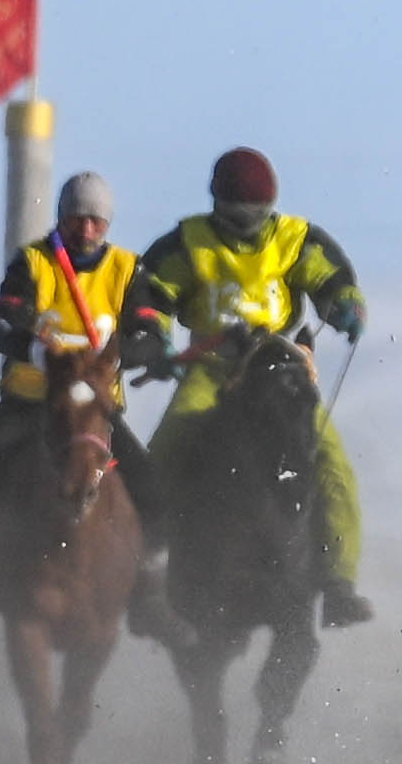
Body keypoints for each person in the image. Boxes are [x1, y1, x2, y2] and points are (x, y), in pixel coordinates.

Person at [125, 148, 372, 629]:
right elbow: (149, 296)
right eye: (236, 214)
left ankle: (338, 584)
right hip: (212, 369)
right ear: (216, 203)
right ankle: (144, 574)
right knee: (164, 450)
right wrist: (152, 338)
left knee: (331, 462)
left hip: (280, 372)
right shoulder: (188, 243)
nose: (246, 224)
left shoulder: (296, 240)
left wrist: (345, 305)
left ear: (271, 205)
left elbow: (333, 279)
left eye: (256, 214)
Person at [0, 173, 152, 637]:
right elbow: (4, 325)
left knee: (148, 482)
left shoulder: (128, 270)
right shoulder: (34, 263)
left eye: (96, 222)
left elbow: (150, 331)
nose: (86, 231)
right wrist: (43, 352)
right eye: (77, 219)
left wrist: (125, 351)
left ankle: (151, 593)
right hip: (32, 403)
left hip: (95, 413)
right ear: (61, 218)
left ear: (108, 225)